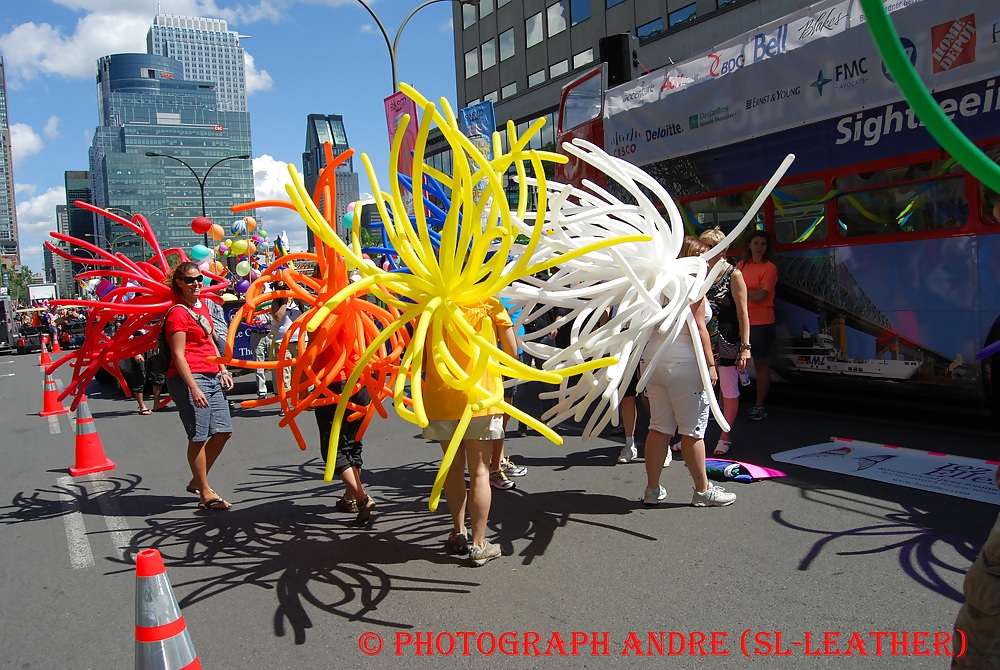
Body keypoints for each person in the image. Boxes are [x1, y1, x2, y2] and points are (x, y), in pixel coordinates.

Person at [640, 236, 736, 507]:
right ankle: (702, 490)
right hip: (686, 364)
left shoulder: (655, 282)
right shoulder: (694, 283)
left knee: (658, 427)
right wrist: (710, 364)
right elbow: (699, 327)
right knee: (692, 430)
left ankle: (652, 489)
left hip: (654, 361)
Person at [424, 297, 514, 566]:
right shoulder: (490, 303)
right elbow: (511, 353)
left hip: (441, 398)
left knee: (452, 466)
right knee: (480, 470)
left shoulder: (432, 301)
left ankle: (458, 531)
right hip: (481, 397)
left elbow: (423, 354)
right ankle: (479, 543)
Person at [163, 262, 234, 511]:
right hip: (191, 378)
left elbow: (210, 341)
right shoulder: (177, 313)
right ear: (179, 283)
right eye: (190, 280)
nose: (196, 284)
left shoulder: (201, 306)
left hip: (212, 374)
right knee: (199, 435)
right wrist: (193, 387)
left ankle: (197, 479)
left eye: (199, 279)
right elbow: (178, 355)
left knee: (224, 430)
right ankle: (205, 491)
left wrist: (223, 369)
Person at [699, 228, 752, 455]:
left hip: (727, 339)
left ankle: (725, 435)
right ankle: (694, 434)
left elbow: (743, 313)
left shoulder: (734, 274)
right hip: (702, 340)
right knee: (698, 388)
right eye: (704, 246)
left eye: (711, 247)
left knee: (729, 389)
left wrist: (745, 347)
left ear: (723, 249)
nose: (706, 251)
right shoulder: (699, 274)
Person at [737, 230, 778, 421]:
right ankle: (726, 405)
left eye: (763, 243)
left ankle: (759, 405)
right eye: (756, 243)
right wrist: (751, 292)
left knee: (761, 364)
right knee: (731, 364)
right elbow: (741, 292)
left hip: (762, 323)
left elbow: (761, 297)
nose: (759, 247)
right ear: (749, 245)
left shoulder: (770, 268)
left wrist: (742, 293)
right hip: (742, 322)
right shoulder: (741, 265)